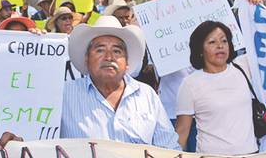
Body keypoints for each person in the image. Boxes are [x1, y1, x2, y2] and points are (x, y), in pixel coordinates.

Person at [59, 16, 178, 148]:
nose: (109, 57)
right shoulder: (63, 96)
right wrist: (35, 42)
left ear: (127, 62)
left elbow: (169, 148)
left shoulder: (147, 95)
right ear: (87, 59)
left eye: (117, 51)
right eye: (100, 50)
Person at [173, 20, 258, 155]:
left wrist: (255, 8)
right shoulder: (190, 84)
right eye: (212, 42)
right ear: (200, 49)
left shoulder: (244, 67)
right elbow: (182, 131)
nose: (220, 46)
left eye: (224, 41)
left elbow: (265, 41)